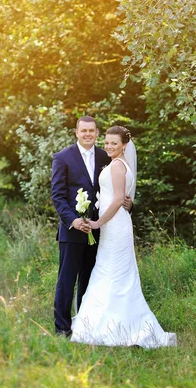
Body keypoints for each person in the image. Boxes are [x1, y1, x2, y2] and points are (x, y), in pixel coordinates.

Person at [71, 126, 177, 348]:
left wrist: (99, 222)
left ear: (124, 146)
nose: (109, 146)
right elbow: (121, 198)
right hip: (114, 226)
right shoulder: (117, 164)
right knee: (108, 270)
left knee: (114, 272)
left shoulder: (118, 166)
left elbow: (119, 199)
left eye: (114, 143)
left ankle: (115, 325)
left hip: (115, 226)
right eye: (107, 143)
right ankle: (106, 322)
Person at [51, 116, 131, 336]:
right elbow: (57, 196)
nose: (88, 134)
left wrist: (128, 201)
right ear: (76, 132)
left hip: (100, 229)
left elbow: (116, 189)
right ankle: (62, 328)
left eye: (92, 131)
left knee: (90, 279)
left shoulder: (106, 156)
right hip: (72, 230)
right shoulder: (62, 158)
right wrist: (74, 220)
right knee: (66, 280)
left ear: (97, 133)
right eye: (83, 130)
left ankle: (86, 325)